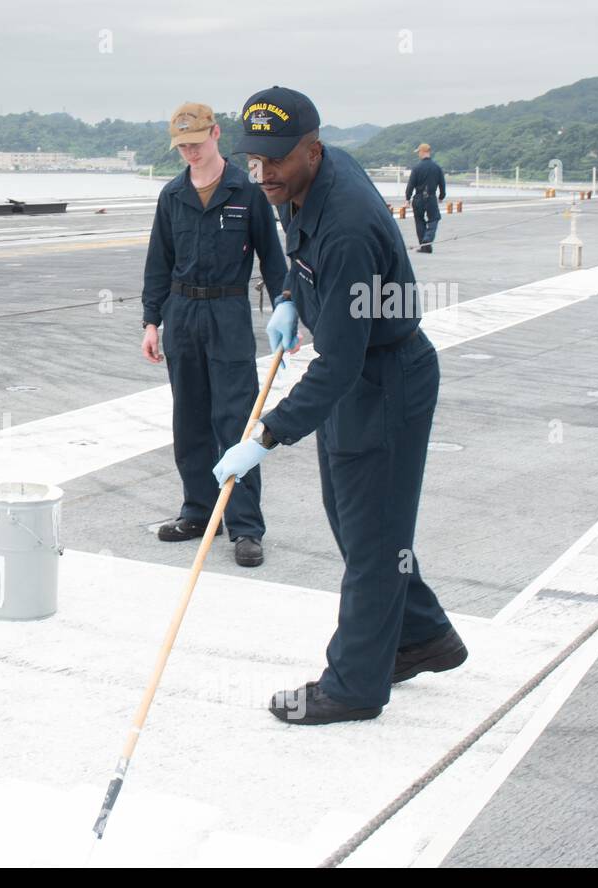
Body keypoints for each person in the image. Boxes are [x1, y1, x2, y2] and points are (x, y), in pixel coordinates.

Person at [213, 87, 466, 724]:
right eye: (254, 160)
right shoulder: (306, 178)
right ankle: (422, 636)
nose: (264, 174)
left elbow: (340, 366)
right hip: (362, 375)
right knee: (358, 523)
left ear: (313, 150)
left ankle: (353, 685)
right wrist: (294, 296)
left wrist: (265, 436)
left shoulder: (350, 226)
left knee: (374, 539)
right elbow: (302, 248)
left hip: (385, 381)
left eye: (278, 161)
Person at [141, 102, 287, 567]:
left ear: (216, 134)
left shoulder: (247, 191)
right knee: (190, 419)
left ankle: (245, 526)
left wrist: (288, 307)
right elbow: (158, 262)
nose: (189, 153)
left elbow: (273, 258)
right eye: (181, 146)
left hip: (227, 312)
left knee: (236, 421)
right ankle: (199, 512)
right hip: (181, 313)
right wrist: (151, 321)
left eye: (196, 144)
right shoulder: (172, 195)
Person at [406, 142, 446, 253]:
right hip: (431, 197)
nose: (418, 154)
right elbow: (442, 184)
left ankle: (424, 245)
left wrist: (407, 198)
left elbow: (411, 184)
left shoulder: (417, 168)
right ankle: (427, 239)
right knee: (434, 218)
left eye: (419, 152)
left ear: (423, 152)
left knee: (419, 221)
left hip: (418, 197)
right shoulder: (437, 168)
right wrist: (441, 196)